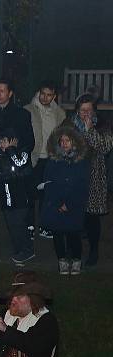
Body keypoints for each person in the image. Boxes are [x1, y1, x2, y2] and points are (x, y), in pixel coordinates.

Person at [68, 94, 113, 267]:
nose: (86, 113)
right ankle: (74, 252)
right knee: (74, 215)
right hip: (74, 176)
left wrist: (89, 131)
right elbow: (60, 145)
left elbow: (105, 146)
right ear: (77, 111)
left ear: (94, 110)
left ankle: (94, 251)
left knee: (91, 217)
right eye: (82, 110)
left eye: (89, 109)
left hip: (94, 177)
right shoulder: (69, 125)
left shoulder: (102, 125)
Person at [40, 126, 90, 274]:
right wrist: (58, 203)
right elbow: (48, 183)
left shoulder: (80, 162)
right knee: (58, 234)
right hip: (56, 204)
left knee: (74, 234)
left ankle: (76, 260)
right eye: (61, 140)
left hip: (74, 205)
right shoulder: (53, 161)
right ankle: (61, 259)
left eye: (67, 140)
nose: (64, 143)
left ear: (74, 142)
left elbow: (82, 185)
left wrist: (69, 204)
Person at [24, 81, 66, 239]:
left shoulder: (59, 113)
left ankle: (45, 226)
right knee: (29, 192)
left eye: (49, 95)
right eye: (43, 93)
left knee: (47, 194)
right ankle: (29, 226)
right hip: (33, 157)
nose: (45, 97)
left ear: (54, 96)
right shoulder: (28, 110)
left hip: (50, 158)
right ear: (38, 92)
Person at [0, 127, 35, 265]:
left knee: (19, 224)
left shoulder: (23, 152)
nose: (1, 144)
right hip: (6, 199)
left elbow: (19, 164)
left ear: (13, 141)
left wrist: (11, 150)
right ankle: (19, 251)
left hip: (21, 198)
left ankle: (27, 250)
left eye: (3, 141)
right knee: (11, 225)